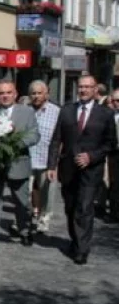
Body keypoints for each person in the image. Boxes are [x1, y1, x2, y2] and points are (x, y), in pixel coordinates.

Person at [47, 73, 118, 265]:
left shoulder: (106, 114)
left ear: (96, 90)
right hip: (68, 168)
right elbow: (56, 140)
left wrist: (91, 156)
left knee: (84, 208)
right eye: (81, 87)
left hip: (91, 169)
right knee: (70, 207)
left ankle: (82, 249)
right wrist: (51, 165)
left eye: (88, 87)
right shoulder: (67, 110)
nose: (83, 90)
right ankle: (75, 239)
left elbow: (110, 144)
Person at [0, 79, 40, 252]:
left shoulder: (27, 112)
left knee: (21, 201)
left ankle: (24, 230)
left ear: (15, 94)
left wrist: (14, 143)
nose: (5, 96)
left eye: (8, 93)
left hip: (18, 163)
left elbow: (34, 135)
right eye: (1, 93)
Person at [27, 80, 60, 233]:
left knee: (46, 192)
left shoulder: (56, 112)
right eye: (33, 93)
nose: (36, 96)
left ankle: (44, 219)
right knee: (27, 191)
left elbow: (60, 137)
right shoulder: (25, 110)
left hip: (47, 159)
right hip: (27, 159)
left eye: (39, 93)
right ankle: (28, 216)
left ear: (46, 94)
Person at [108, 89, 119, 222]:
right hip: (114, 153)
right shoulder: (110, 116)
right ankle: (114, 211)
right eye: (114, 101)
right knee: (114, 182)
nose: (116, 103)